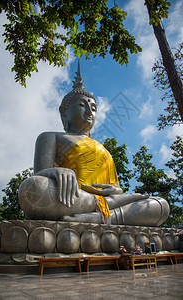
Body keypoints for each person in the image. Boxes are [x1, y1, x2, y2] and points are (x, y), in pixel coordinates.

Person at [19, 62, 170, 226]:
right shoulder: (50, 137)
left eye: (93, 108)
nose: (89, 112)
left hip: (101, 203)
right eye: (82, 105)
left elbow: (116, 189)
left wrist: (116, 192)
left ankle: (103, 217)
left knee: (160, 205)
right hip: (73, 198)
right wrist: (55, 172)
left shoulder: (103, 149)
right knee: (32, 188)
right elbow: (40, 174)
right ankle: (107, 213)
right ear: (64, 112)